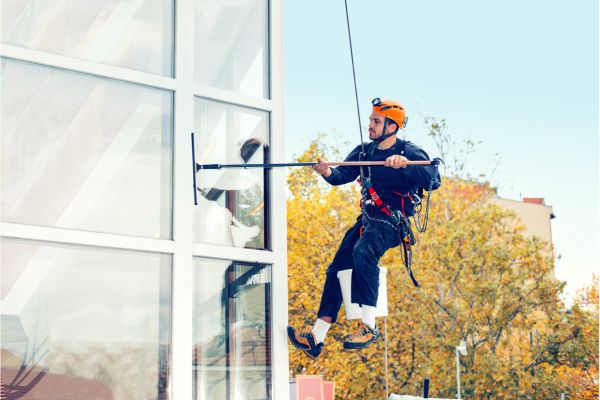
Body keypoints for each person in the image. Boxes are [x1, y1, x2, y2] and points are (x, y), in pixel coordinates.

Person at [287, 98, 441, 359]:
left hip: (393, 222)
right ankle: (316, 337)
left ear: (392, 126)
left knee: (364, 252)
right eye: (370, 119)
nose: (370, 125)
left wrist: (404, 165)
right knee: (337, 268)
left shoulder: (411, 152)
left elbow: (433, 180)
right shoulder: (363, 153)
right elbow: (340, 177)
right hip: (369, 219)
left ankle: (368, 326)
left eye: (376, 121)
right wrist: (325, 172)